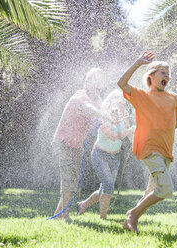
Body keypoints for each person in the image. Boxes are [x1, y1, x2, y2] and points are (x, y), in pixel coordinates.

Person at [117, 51, 177, 234]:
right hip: (148, 148)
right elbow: (121, 84)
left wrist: (162, 129)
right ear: (151, 76)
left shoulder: (175, 99)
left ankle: (129, 221)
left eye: (168, 73)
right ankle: (132, 215)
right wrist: (138, 63)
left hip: (165, 151)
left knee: (152, 190)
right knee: (165, 189)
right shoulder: (141, 96)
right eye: (162, 72)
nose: (167, 76)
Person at [52, 67, 106, 223]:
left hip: (77, 145)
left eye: (101, 81)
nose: (99, 84)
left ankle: (57, 215)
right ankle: (65, 216)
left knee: (74, 182)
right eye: (96, 80)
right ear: (87, 83)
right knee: (69, 179)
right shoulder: (79, 96)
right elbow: (89, 109)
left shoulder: (99, 101)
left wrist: (112, 118)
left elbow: (102, 118)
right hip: (64, 142)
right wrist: (103, 115)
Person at [76, 89, 135, 219]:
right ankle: (103, 217)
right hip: (100, 155)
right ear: (111, 102)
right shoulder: (102, 117)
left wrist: (134, 137)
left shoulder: (123, 116)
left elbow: (128, 134)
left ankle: (83, 204)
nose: (121, 106)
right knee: (108, 186)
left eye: (123, 104)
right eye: (119, 103)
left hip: (115, 157)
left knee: (105, 188)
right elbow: (115, 136)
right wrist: (129, 130)